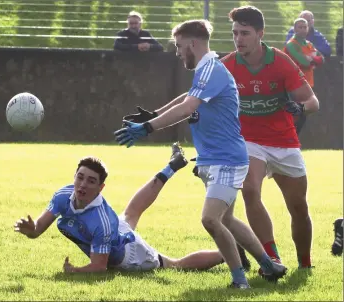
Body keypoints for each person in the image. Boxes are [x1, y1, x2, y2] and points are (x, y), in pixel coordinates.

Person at [115, 19, 287, 288]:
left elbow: (187, 107)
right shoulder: (206, 70)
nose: (177, 52)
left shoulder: (211, 69)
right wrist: (156, 114)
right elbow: (188, 97)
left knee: (210, 219)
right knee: (227, 219)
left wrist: (148, 127)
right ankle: (269, 266)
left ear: (193, 43)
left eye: (179, 46)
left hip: (227, 160)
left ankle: (240, 281)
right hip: (215, 159)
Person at [14, 144, 231, 273]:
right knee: (131, 212)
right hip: (118, 229)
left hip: (130, 254)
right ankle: (172, 165)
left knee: (173, 265)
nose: (82, 185)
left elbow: (100, 267)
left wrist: (75, 271)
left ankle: (229, 254)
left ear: (101, 188)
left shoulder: (101, 222)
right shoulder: (63, 195)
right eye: (80, 177)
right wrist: (31, 229)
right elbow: (37, 230)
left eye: (90, 181)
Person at [221, 6, 319, 272]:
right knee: (250, 190)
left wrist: (300, 109)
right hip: (249, 141)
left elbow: (312, 101)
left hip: (284, 142)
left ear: (260, 34)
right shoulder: (227, 65)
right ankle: (272, 259)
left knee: (298, 207)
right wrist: (155, 119)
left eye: (245, 33)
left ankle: (305, 264)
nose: (238, 39)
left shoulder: (281, 61)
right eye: (235, 33)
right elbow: (194, 95)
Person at [283, 18, 324, 134]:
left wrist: (310, 59)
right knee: (294, 115)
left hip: (307, 84)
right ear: (295, 29)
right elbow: (304, 62)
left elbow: (321, 59)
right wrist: (311, 59)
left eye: (304, 27)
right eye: (299, 27)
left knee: (302, 115)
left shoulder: (309, 44)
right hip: (293, 85)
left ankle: (293, 142)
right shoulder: (291, 45)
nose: (302, 29)